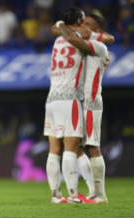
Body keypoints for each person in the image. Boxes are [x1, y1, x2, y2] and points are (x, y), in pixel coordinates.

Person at [44, 7, 97, 203]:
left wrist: (61, 27)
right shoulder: (79, 41)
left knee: (54, 149)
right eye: (83, 21)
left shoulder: (58, 41)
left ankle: (56, 195)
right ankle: (74, 193)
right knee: (71, 148)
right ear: (78, 22)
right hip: (69, 99)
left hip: (51, 99)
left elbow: (56, 29)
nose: (85, 24)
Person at [76, 14, 112, 203]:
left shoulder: (98, 46)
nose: (82, 26)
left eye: (87, 24)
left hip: (91, 102)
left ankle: (101, 194)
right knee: (74, 146)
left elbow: (73, 38)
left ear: (97, 32)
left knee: (93, 146)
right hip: (79, 102)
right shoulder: (83, 45)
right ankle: (92, 190)